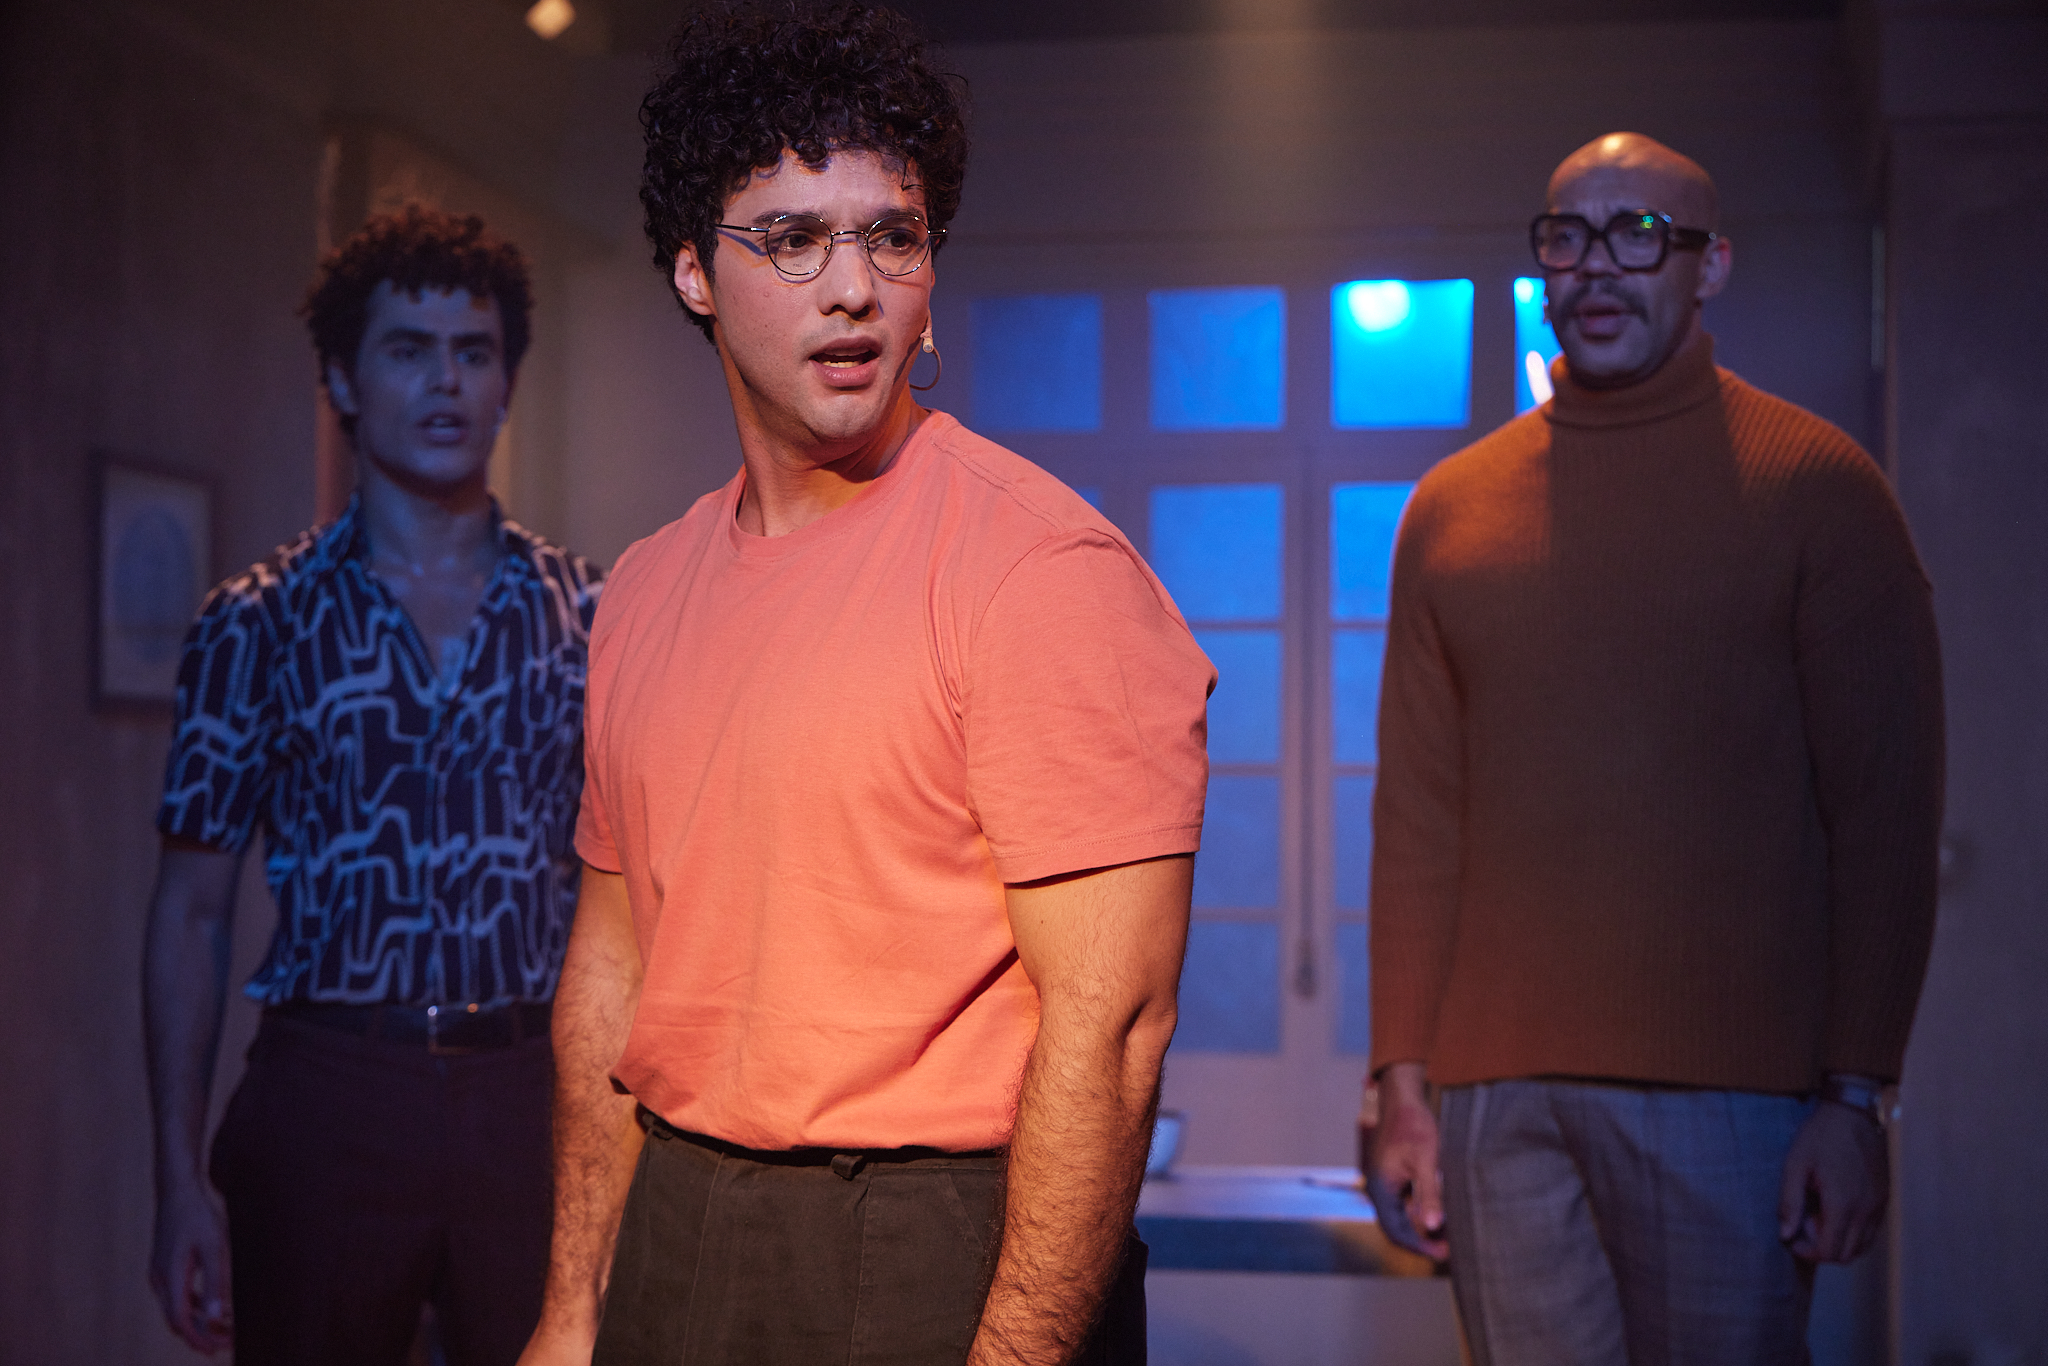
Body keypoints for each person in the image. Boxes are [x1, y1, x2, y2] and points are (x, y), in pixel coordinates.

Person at [516, 6, 1214, 1365]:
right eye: (793, 237)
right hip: (678, 1222)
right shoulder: (645, 588)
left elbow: (1114, 1029)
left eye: (892, 235)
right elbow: (610, 967)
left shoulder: (1039, 570)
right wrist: (571, 1302)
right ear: (694, 272)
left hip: (939, 1238)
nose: (854, 288)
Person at [1364, 132, 1943, 1364]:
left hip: (1735, 1091)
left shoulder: (1817, 489)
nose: (1594, 267)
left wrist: (1855, 1091)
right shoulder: (1451, 510)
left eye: (1635, 235)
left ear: (1708, 264)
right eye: (1565, 236)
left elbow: (1885, 815)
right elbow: (1416, 816)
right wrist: (1397, 1080)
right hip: (1494, 1093)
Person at [143, 204, 603, 1365]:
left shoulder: (591, 615)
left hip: (529, 1091)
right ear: (344, 379)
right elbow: (189, 912)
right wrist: (177, 1180)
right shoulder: (258, 621)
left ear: (506, 382)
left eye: (472, 351)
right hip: (331, 1087)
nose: (445, 381)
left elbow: (639, 893)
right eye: (408, 349)